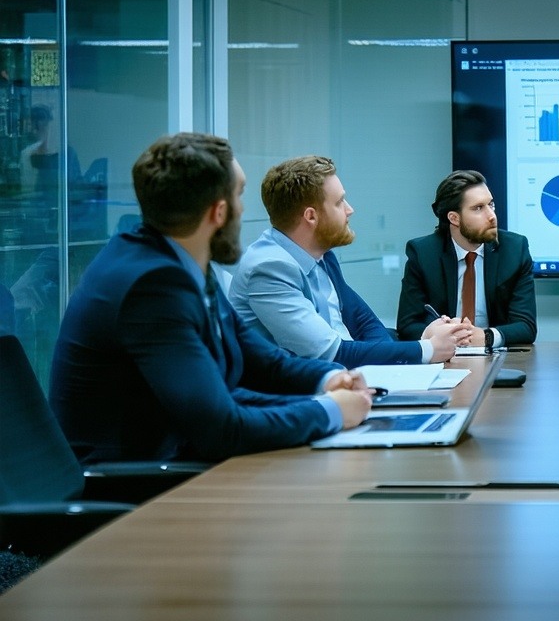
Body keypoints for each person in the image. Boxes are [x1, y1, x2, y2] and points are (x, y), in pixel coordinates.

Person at [49, 133, 372, 463]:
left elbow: (258, 359)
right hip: (135, 486)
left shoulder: (179, 260)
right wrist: (328, 413)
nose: (244, 208)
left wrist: (328, 379)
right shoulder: (152, 286)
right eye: (240, 195)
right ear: (219, 212)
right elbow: (222, 429)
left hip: (179, 459)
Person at [229, 156, 465, 366]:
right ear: (311, 216)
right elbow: (332, 353)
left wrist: (417, 346)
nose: (350, 210)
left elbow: (364, 322)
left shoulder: (322, 254)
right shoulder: (269, 268)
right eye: (340, 202)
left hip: (343, 383)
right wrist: (428, 348)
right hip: (297, 398)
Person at [397, 170, 537, 347]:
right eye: (478, 208)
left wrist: (487, 337)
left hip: (496, 357)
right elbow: (407, 324)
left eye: (491, 205)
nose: (492, 216)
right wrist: (433, 333)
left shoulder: (515, 249)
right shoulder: (423, 253)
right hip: (443, 358)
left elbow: (526, 326)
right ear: (454, 218)